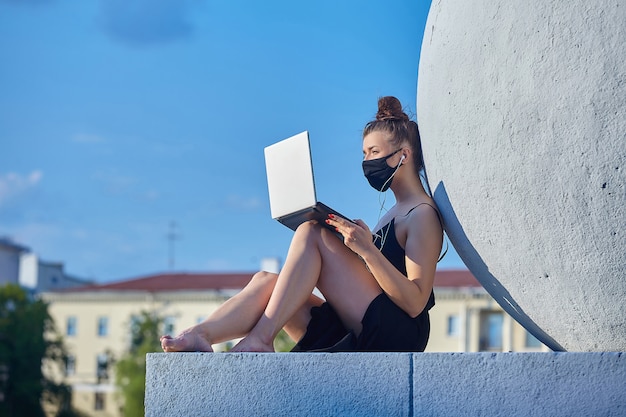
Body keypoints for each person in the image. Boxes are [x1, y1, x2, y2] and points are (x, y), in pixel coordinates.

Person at [160, 96, 444, 353]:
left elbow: (415, 302)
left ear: (403, 156)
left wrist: (367, 251)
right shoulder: (394, 213)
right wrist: (357, 248)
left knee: (311, 232)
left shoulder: (422, 214)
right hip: (365, 320)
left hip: (397, 333)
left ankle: (261, 339)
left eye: (373, 152)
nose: (366, 162)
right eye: (364, 154)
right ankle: (200, 333)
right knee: (266, 281)